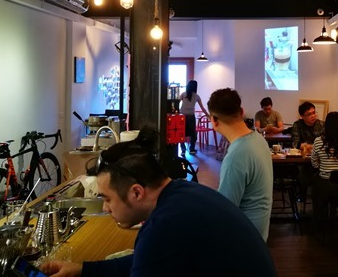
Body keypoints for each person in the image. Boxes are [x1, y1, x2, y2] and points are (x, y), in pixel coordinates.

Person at [40, 127, 277, 277]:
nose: (105, 208)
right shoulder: (182, 193)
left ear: (136, 192)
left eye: (107, 198)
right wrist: (83, 270)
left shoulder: (164, 224)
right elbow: (145, 259)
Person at [208, 88, 274, 241]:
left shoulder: (236, 156)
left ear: (214, 121)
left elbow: (224, 211)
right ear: (242, 112)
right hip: (259, 235)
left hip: (243, 239)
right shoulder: (259, 139)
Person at [310, 112, 338, 230]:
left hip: (326, 185)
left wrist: (324, 166)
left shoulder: (319, 141)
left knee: (315, 179)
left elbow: (314, 163)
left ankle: (319, 216)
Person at [290, 101, 325, 202]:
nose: (313, 116)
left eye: (314, 113)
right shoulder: (298, 125)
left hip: (320, 159)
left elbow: (326, 143)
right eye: (309, 114)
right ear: (302, 116)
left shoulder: (322, 124)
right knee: (303, 172)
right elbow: (295, 143)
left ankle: (320, 197)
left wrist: (309, 146)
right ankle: (302, 197)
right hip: (304, 159)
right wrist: (310, 146)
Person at [179, 80, 209, 156]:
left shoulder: (183, 94)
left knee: (181, 133)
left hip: (181, 117)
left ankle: (183, 150)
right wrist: (208, 116)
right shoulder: (197, 96)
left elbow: (176, 103)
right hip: (190, 117)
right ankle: (192, 149)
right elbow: (203, 108)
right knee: (193, 134)